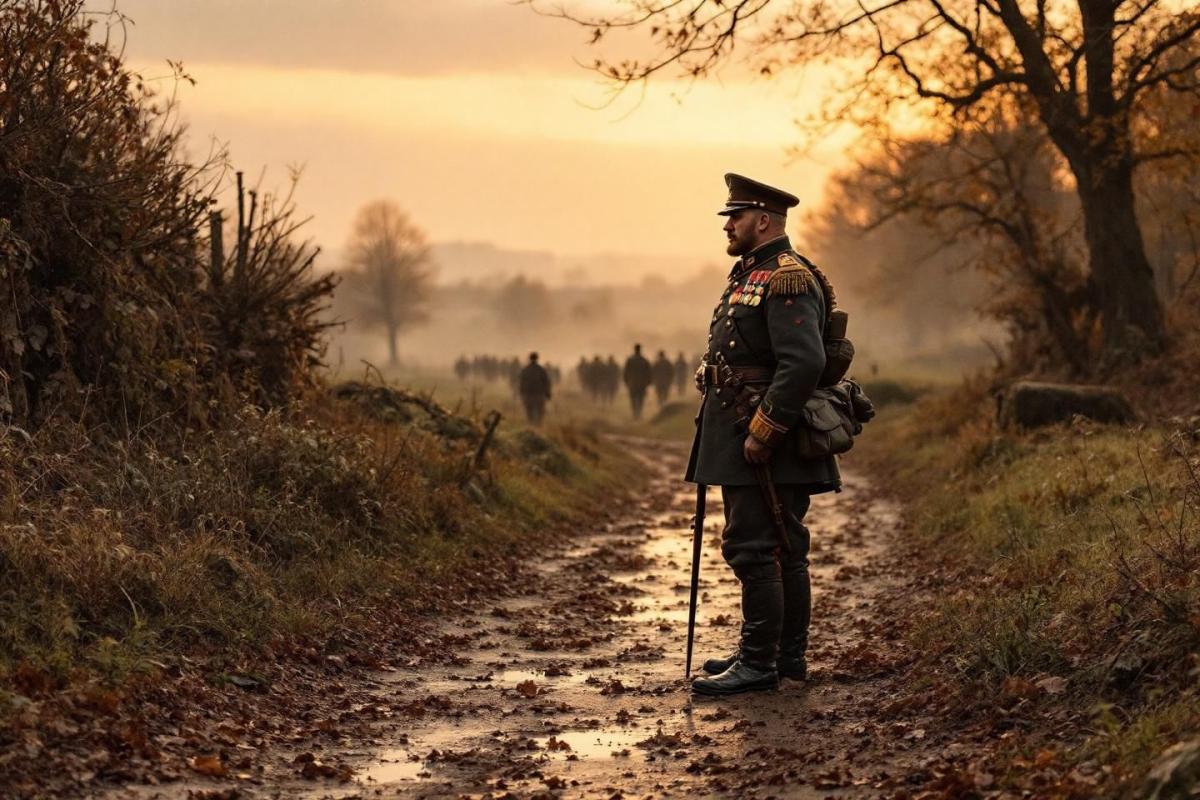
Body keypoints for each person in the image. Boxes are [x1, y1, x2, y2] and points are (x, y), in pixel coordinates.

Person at [685, 173, 841, 697]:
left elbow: (803, 363)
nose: (728, 225)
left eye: (736, 216)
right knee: (779, 547)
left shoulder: (787, 276)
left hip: (764, 431)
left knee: (758, 548)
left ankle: (760, 663)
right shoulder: (753, 272)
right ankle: (780, 655)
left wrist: (764, 430)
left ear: (764, 220)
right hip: (741, 423)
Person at [518, 352, 552, 424]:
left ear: (530, 359)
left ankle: (532, 425)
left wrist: (521, 393)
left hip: (528, 394)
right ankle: (538, 425)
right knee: (540, 411)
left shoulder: (525, 370)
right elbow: (546, 382)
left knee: (529, 411)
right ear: (537, 359)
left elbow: (521, 383)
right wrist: (548, 393)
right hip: (539, 394)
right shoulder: (541, 369)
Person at [622, 344, 653, 420]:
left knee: (633, 399)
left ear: (634, 349)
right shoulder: (644, 360)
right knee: (640, 399)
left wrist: (626, 382)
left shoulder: (630, 360)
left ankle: (635, 414)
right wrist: (648, 383)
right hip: (642, 384)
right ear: (640, 349)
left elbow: (625, 372)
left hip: (632, 383)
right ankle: (639, 414)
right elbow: (649, 373)